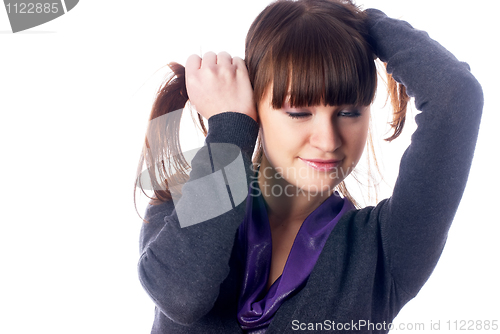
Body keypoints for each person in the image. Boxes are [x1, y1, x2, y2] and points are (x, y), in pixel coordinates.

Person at [134, 0, 483, 333]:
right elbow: (182, 296)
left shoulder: (385, 249)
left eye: (349, 112)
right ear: (255, 108)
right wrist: (230, 128)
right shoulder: (184, 204)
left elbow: (456, 96)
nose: (328, 140)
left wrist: (359, 20)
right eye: (299, 112)